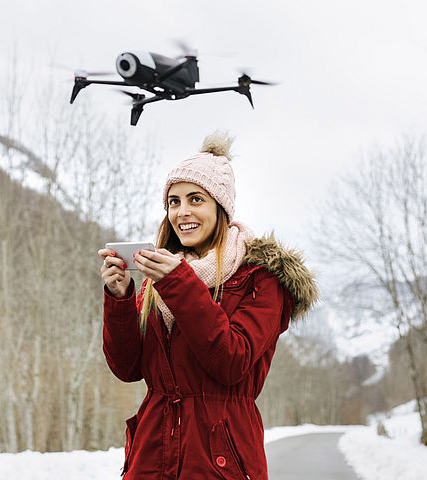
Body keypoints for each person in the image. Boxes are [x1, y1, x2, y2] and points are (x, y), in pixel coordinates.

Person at [98, 132, 318, 479]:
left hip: (219, 461)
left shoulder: (260, 279)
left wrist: (178, 283)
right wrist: (120, 297)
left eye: (195, 199)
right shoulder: (161, 276)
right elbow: (128, 368)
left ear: (221, 206)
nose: (182, 212)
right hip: (151, 457)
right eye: (173, 201)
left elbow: (233, 361)